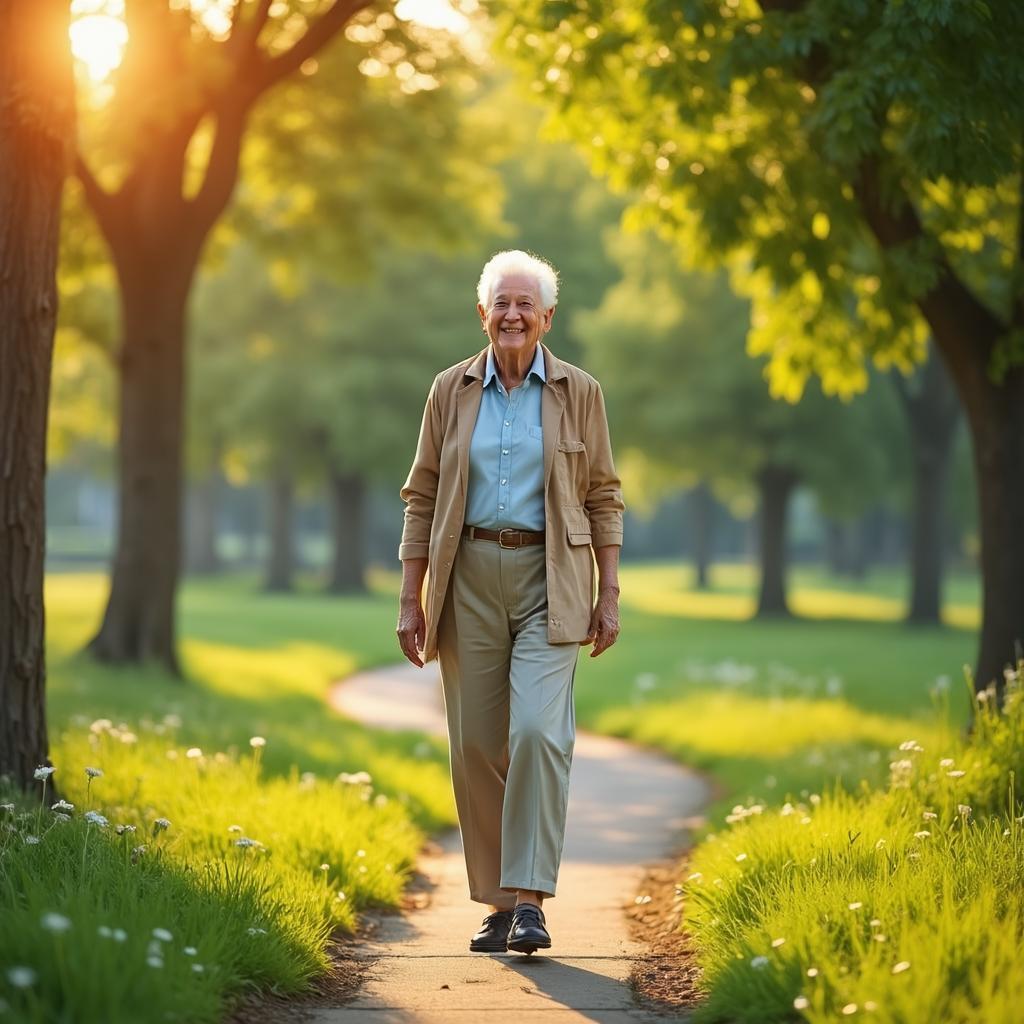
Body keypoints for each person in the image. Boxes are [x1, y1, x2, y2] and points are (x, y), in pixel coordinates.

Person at [396, 249, 624, 956]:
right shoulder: (449, 390)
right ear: (482, 313)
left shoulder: (579, 392)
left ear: (548, 317)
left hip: (551, 577)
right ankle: (496, 905)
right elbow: (422, 494)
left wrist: (608, 592)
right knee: (475, 745)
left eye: (527, 304)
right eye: (502, 303)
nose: (514, 315)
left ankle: (529, 900)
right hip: (466, 577)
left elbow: (604, 495)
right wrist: (412, 597)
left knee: (537, 735)